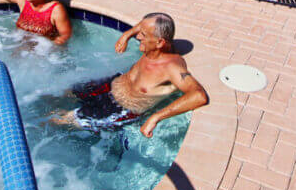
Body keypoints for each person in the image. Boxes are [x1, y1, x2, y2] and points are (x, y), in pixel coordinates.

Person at [53, 13, 208, 137]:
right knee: (64, 92)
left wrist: (156, 117)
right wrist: (126, 35)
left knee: (59, 120)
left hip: (119, 109)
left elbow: (198, 95)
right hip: (111, 84)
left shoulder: (172, 67)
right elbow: (143, 24)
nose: (138, 36)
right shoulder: (151, 49)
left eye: (143, 35)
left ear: (160, 42)